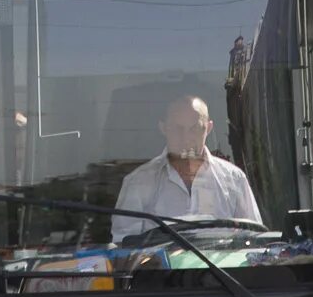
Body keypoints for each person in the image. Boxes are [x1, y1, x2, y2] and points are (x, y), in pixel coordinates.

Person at [112, 95, 262, 241]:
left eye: (195, 128)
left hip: (222, 267)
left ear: (208, 128)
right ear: (163, 128)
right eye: (177, 129)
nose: (186, 138)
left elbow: (254, 239)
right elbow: (123, 245)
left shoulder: (234, 179)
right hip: (160, 266)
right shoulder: (138, 183)